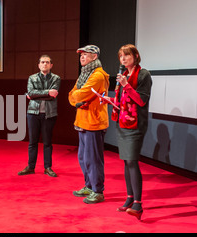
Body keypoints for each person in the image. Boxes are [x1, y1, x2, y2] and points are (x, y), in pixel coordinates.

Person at [102, 44, 152, 220]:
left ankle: (138, 203)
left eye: (127, 55)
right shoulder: (123, 75)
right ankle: (130, 198)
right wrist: (109, 100)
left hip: (136, 123)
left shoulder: (144, 74)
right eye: (121, 56)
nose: (123, 59)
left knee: (132, 160)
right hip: (123, 122)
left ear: (136, 56)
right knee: (125, 161)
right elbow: (121, 99)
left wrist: (127, 85)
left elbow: (141, 101)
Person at [68, 45, 109, 204]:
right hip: (82, 121)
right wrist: (75, 100)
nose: (82, 57)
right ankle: (89, 186)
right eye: (81, 55)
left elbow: (81, 93)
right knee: (83, 157)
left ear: (94, 57)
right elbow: (72, 95)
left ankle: (98, 191)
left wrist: (75, 97)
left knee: (93, 159)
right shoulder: (84, 74)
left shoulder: (98, 75)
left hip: (94, 122)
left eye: (86, 54)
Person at [18, 55, 60, 177]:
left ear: (51, 65)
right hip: (33, 113)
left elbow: (53, 95)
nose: (45, 64)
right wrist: (47, 92)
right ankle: (31, 167)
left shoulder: (56, 78)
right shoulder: (32, 78)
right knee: (32, 142)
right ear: (39, 65)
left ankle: (48, 167)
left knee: (47, 142)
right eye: (42, 62)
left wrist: (35, 95)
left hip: (49, 114)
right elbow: (31, 93)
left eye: (47, 62)